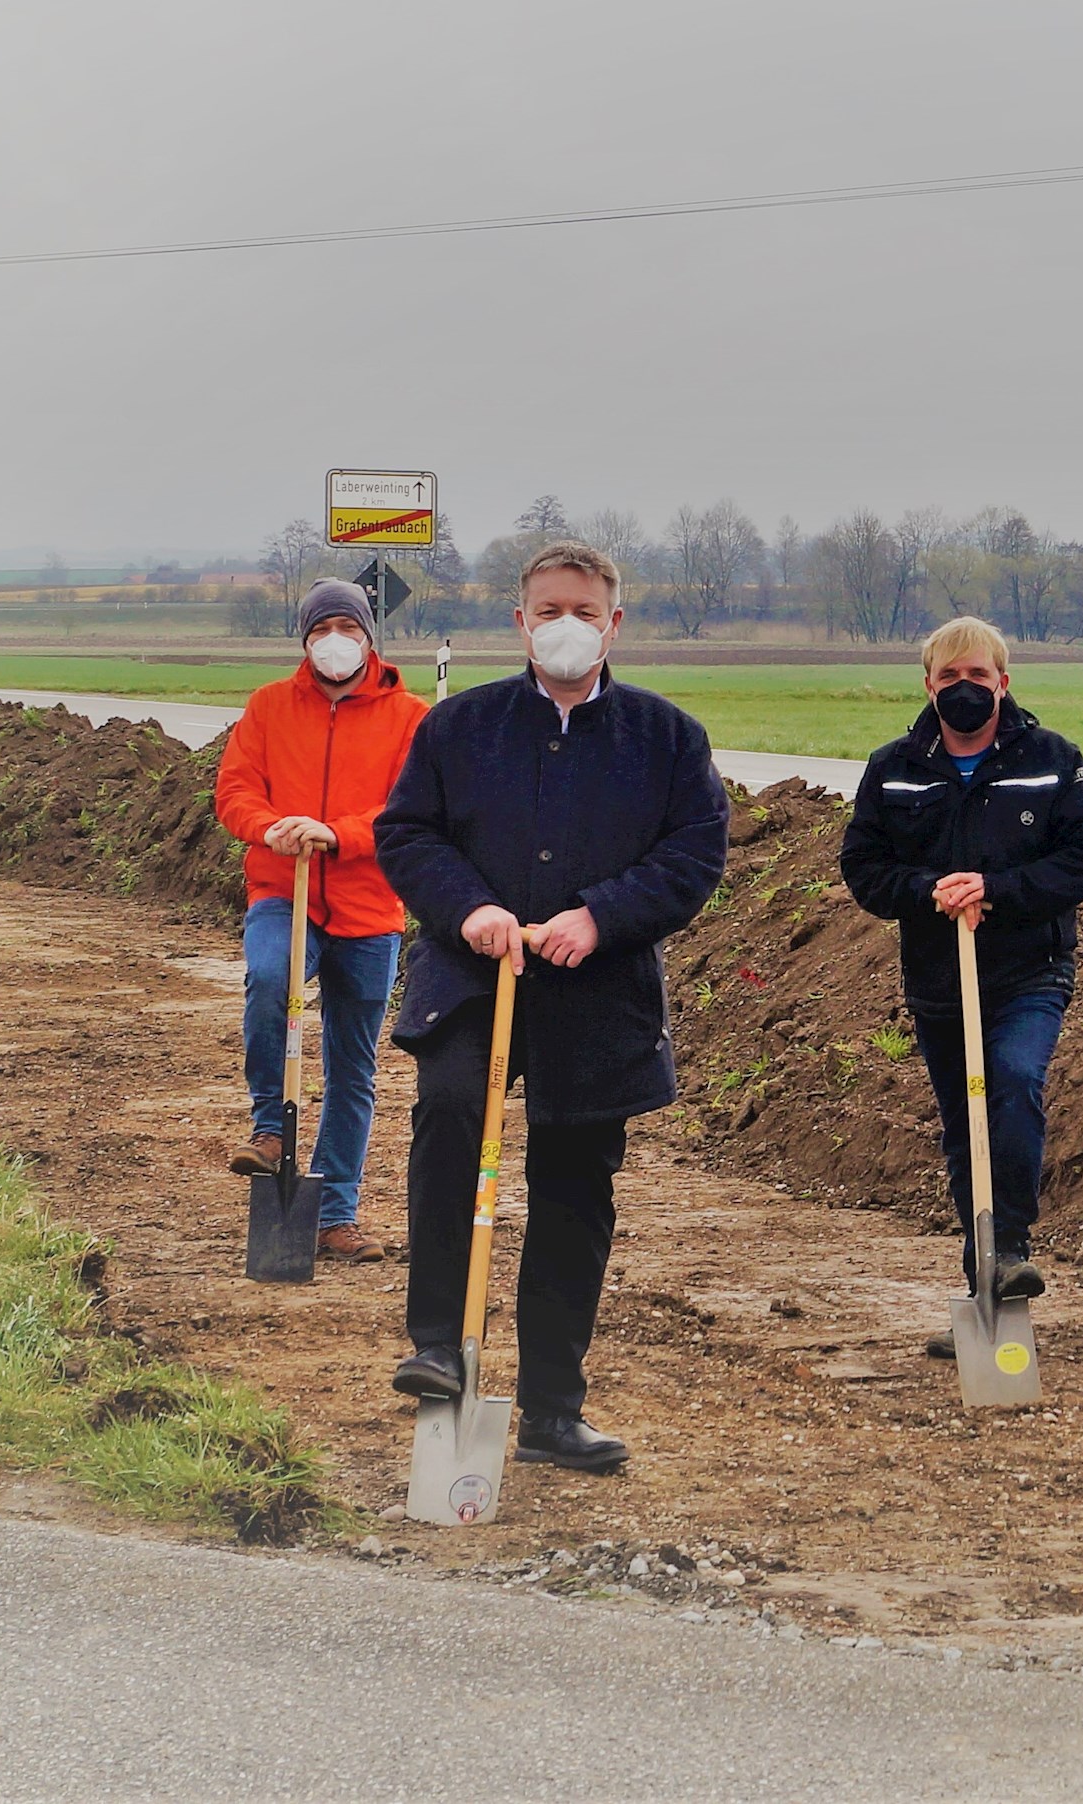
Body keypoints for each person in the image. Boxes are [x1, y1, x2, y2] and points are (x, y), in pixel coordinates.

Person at [375, 539, 727, 1473]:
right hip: (471, 979)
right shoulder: (459, 729)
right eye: (547, 609)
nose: (564, 625)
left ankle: (551, 1409)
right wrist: (473, 910)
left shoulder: (668, 739)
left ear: (614, 623)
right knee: (450, 1123)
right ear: (518, 620)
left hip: (597, 996)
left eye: (583, 610)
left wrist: (600, 917)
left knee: (575, 1188)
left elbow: (693, 857)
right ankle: (439, 1348)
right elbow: (405, 833)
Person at [839, 616, 1083, 1346]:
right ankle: (984, 1286)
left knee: (1015, 1080)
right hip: (939, 979)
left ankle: (1013, 1247)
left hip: (1030, 970)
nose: (965, 690)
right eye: (950, 679)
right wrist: (931, 890)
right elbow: (863, 870)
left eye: (979, 677)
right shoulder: (893, 767)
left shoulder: (1054, 761)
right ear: (929, 685)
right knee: (967, 1127)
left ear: (1004, 681)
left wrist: (995, 889)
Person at [211, 580, 426, 1262]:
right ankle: (269, 1127)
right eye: (321, 629)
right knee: (271, 980)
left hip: (369, 907)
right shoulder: (270, 706)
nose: (336, 640)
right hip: (284, 890)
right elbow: (234, 789)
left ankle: (335, 1215)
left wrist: (338, 834)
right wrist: (271, 827)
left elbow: (408, 809)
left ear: (369, 637)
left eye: (349, 627)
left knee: (351, 1067)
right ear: (305, 640)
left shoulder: (409, 716)